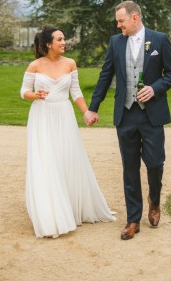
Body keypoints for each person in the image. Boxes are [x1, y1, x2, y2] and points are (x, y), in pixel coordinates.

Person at [84, 1, 171, 240]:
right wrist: (93, 107)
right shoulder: (116, 42)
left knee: (155, 164)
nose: (118, 25)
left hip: (152, 115)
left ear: (135, 18)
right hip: (125, 114)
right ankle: (133, 220)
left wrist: (155, 88)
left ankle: (154, 202)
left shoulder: (159, 40)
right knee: (129, 169)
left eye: (121, 21)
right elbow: (105, 75)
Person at [20, 25, 115, 238]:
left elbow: (76, 92)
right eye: (60, 39)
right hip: (42, 116)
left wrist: (87, 112)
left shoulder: (70, 64)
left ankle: (70, 207)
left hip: (64, 115)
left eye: (64, 39)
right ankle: (49, 213)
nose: (64, 42)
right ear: (48, 44)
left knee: (66, 158)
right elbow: (23, 91)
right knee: (46, 161)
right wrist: (33, 95)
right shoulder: (35, 65)